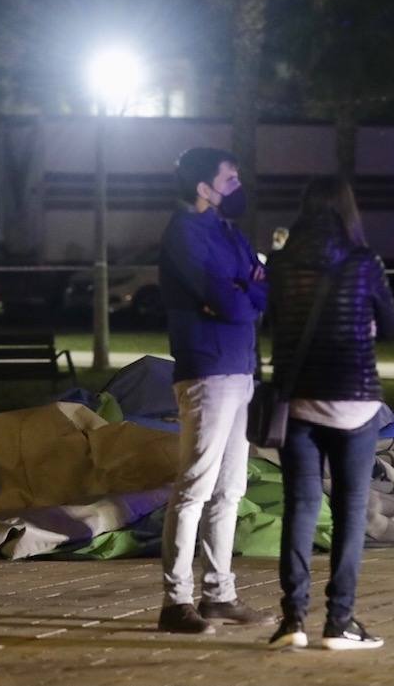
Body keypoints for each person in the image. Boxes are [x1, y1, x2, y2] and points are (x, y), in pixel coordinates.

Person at [266, 177, 394, 651]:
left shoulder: (281, 263)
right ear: (347, 211)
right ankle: (339, 621)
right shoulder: (365, 263)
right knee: (348, 512)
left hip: (300, 401)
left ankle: (292, 620)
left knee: (300, 510)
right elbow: (393, 323)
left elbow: (273, 322)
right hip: (356, 402)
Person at [156, 147, 274, 634]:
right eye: (230, 178)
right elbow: (231, 301)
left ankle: (218, 595)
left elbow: (262, 292)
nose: (238, 185)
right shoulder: (184, 233)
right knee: (195, 488)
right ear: (204, 188)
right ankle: (175, 600)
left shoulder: (229, 231)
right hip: (206, 370)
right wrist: (242, 291)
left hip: (240, 369)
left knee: (230, 490)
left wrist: (245, 290)